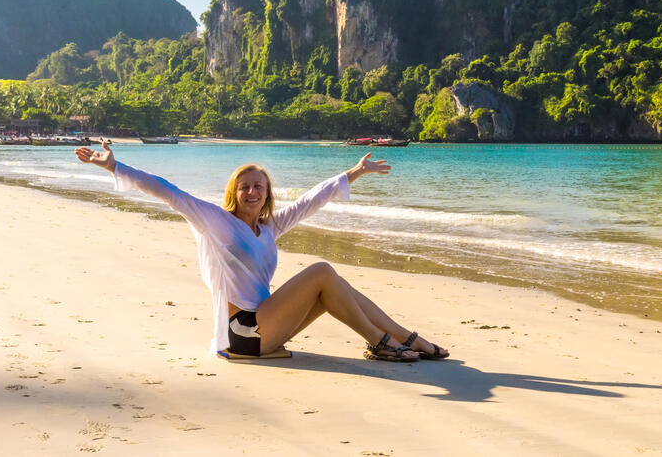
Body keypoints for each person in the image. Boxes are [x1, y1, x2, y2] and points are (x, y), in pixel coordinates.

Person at [75, 141, 448, 362]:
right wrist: (114, 166)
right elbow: (167, 190)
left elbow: (310, 200)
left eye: (259, 187)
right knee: (321, 271)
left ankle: (404, 338)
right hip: (242, 334)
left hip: (263, 328)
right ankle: (382, 344)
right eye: (245, 187)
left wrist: (353, 172)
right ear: (234, 192)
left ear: (267, 193)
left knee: (336, 286)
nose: (252, 192)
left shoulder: (268, 227)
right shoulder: (215, 221)